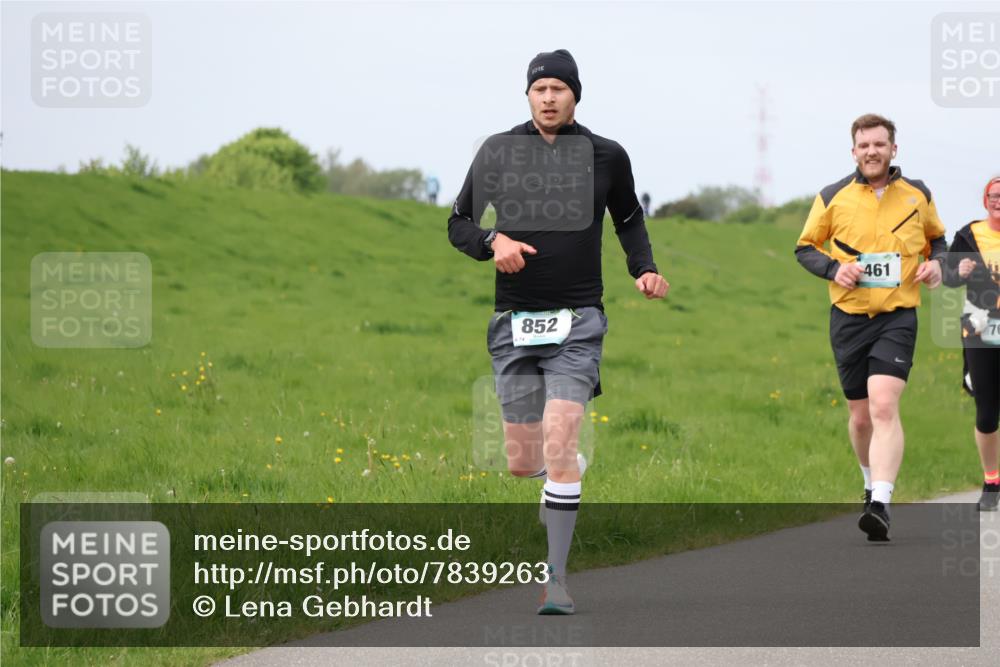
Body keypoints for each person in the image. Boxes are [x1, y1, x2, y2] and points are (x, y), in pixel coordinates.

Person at [447, 49, 668, 613]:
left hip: (578, 321)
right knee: (523, 461)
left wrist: (643, 267)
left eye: (558, 88)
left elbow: (628, 218)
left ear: (575, 95)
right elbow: (459, 222)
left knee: (562, 433)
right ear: (528, 95)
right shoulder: (498, 151)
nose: (548, 97)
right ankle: (560, 475)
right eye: (539, 89)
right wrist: (492, 241)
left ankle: (557, 581)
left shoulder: (606, 155)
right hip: (514, 320)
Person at [795, 113, 946, 541]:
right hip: (848, 318)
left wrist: (937, 263)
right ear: (854, 151)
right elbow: (805, 248)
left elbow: (938, 239)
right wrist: (834, 269)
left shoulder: (918, 194)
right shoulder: (833, 196)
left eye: (879, 144)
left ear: (893, 149)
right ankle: (868, 483)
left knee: (883, 405)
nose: (872, 152)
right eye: (864, 145)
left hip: (897, 316)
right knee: (861, 418)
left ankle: (881, 502)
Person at [942, 176, 1000, 511]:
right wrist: (959, 271)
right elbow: (948, 278)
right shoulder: (968, 234)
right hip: (980, 330)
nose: (998, 201)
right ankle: (992, 481)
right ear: (985, 200)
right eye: (994, 195)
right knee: (987, 411)